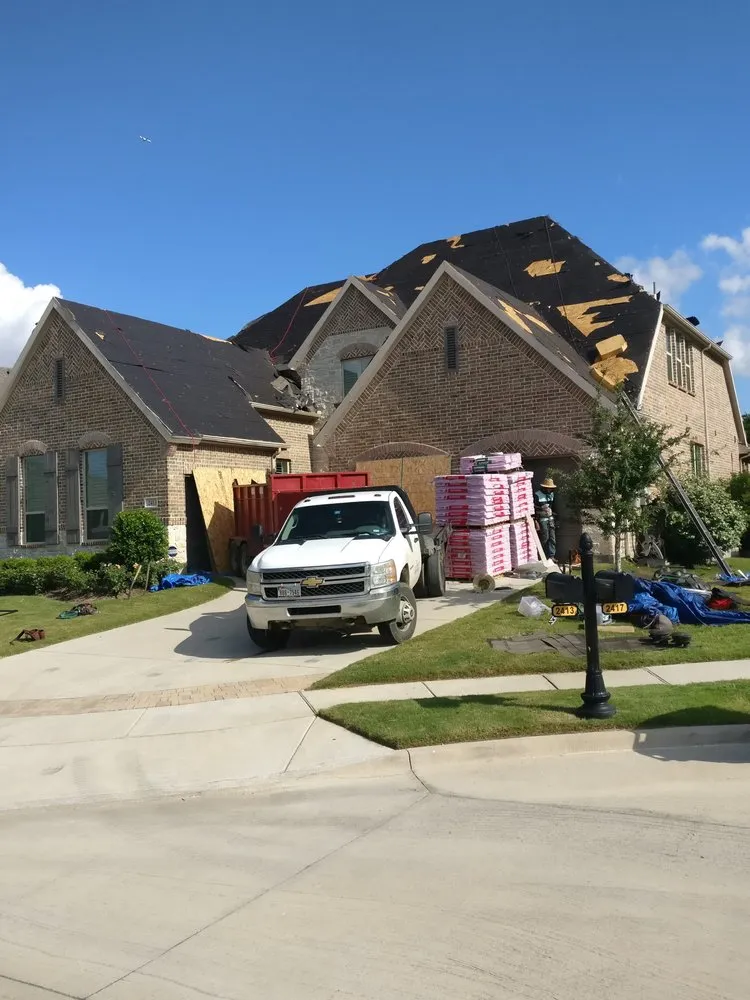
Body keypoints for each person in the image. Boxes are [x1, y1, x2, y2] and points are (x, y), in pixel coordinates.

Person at [534, 476, 557, 560]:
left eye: (550, 488)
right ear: (544, 487)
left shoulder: (552, 494)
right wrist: (541, 508)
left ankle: (551, 556)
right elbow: (533, 507)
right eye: (548, 488)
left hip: (550, 518)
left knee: (552, 538)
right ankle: (542, 556)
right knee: (544, 538)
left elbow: (553, 506)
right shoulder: (537, 495)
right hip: (542, 519)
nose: (549, 490)